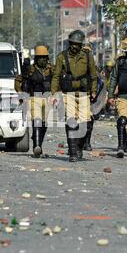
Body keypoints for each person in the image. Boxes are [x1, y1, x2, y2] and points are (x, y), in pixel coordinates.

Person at [50, 30, 97, 162]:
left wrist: (93, 91)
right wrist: (53, 94)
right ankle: (72, 152)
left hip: (84, 94)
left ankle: (79, 147)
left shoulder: (87, 56)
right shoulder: (61, 57)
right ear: (69, 43)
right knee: (71, 122)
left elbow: (93, 75)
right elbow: (56, 76)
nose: (74, 46)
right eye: (72, 43)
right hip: (68, 94)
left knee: (85, 124)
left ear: (81, 45)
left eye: (77, 44)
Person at [15, 44, 53, 157]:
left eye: (44, 57)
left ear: (47, 58)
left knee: (44, 124)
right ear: (36, 58)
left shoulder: (52, 68)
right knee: (37, 120)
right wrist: (21, 94)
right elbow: (18, 80)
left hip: (47, 98)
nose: (42, 60)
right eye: (40, 57)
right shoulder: (30, 70)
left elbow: (56, 81)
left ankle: (39, 145)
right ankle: (36, 146)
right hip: (33, 98)